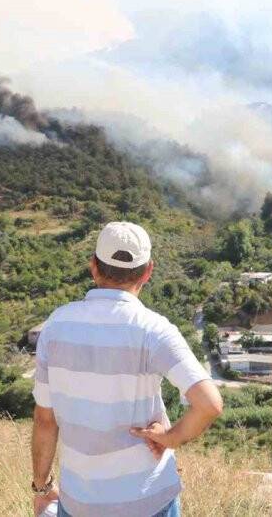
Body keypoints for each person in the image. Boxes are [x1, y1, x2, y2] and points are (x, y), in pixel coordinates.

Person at [30, 221, 223, 517]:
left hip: (80, 504)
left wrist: (42, 489)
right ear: (148, 272)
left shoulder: (56, 325)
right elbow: (209, 404)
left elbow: (45, 420)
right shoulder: (153, 330)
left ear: (94, 267)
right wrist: (169, 438)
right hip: (150, 502)